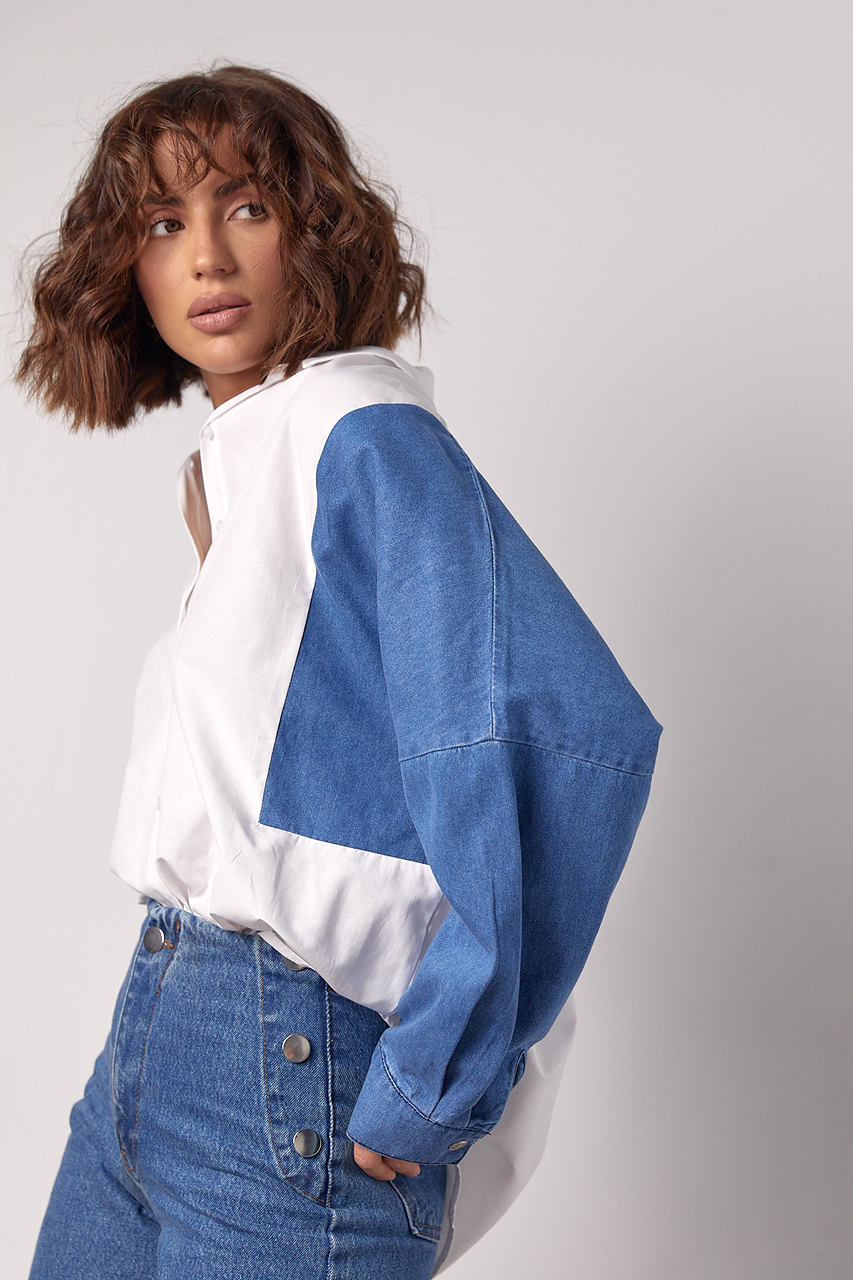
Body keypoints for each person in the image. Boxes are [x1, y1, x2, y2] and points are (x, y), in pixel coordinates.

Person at [16, 65, 662, 1279]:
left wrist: (435, 1072)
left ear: (311, 230)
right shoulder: (248, 458)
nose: (207, 257)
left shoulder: (356, 430)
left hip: (289, 1069)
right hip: (154, 1040)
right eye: (162, 223)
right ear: (123, 264)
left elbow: (573, 732)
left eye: (246, 207)